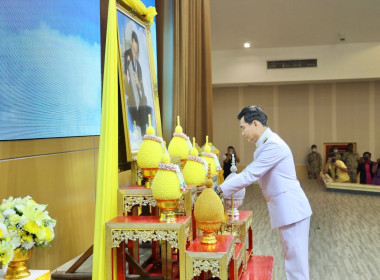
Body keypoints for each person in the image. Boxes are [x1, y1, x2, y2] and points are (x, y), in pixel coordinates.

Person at [214, 106, 312, 280]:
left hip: (292, 210)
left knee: (296, 265)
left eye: (243, 128)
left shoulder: (273, 145)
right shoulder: (265, 145)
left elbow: (250, 174)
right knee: (292, 260)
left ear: (256, 124)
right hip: (287, 209)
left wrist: (219, 189)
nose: (243, 133)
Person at [124, 31, 151, 135]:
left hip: (139, 101)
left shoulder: (139, 66)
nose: (134, 54)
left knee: (145, 108)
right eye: (133, 49)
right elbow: (124, 79)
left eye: (136, 51)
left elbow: (143, 89)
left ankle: (145, 136)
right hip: (130, 100)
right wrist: (129, 77)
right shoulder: (127, 56)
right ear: (131, 43)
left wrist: (138, 84)